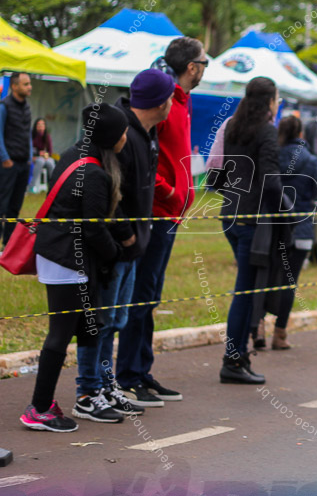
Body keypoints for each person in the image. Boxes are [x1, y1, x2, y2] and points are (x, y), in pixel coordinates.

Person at [73, 69, 175, 421]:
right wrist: (125, 235)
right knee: (102, 319)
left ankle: (104, 383)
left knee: (116, 319)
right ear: (161, 102)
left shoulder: (147, 133)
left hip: (135, 244)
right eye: (170, 98)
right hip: (117, 245)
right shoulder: (122, 134)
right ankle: (88, 390)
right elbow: (108, 194)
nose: (172, 104)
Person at [19, 103, 129, 432]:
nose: (126, 136)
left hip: (65, 255)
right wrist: (116, 253)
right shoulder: (94, 173)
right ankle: (39, 408)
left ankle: (88, 394)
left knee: (87, 326)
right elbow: (94, 227)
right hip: (67, 258)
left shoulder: (74, 154)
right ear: (111, 138)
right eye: (122, 132)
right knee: (60, 335)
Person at [116, 37, 205, 406]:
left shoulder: (180, 103)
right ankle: (126, 374)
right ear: (191, 67)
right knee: (140, 295)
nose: (204, 67)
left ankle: (141, 369)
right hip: (155, 213)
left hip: (171, 216)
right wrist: (168, 192)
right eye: (203, 61)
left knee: (151, 295)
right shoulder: (161, 102)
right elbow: (141, 157)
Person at [216, 77, 283, 384]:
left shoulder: (232, 126)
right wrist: (286, 210)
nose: (278, 103)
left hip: (230, 215)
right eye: (278, 98)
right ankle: (233, 359)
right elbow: (271, 179)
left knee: (246, 290)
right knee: (245, 293)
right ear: (270, 101)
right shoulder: (266, 130)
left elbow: (217, 173)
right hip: (252, 222)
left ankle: (238, 355)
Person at [262, 114, 317, 350]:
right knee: (289, 282)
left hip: (275, 226)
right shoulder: (311, 160)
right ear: (300, 134)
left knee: (265, 279)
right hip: (302, 227)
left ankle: (257, 328)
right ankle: (280, 332)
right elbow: (315, 191)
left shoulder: (272, 156)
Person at [0, 72, 33, 246]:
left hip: (23, 164)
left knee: (15, 207)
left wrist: (29, 157)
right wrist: (5, 158)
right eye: (25, 84)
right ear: (14, 86)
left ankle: (8, 243)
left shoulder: (27, 107)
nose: (30, 87)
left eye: (29, 83)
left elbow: (27, 135)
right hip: (7, 164)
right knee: (2, 204)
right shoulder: (4, 106)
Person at [31, 118, 55, 191]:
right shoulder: (32, 135)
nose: (40, 126)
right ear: (35, 126)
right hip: (35, 158)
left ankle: (53, 186)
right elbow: (30, 149)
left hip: (45, 158)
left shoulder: (47, 136)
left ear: (45, 126)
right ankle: (32, 186)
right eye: (38, 124)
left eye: (42, 124)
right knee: (40, 161)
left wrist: (45, 155)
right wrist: (38, 154)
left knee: (51, 162)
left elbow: (50, 151)